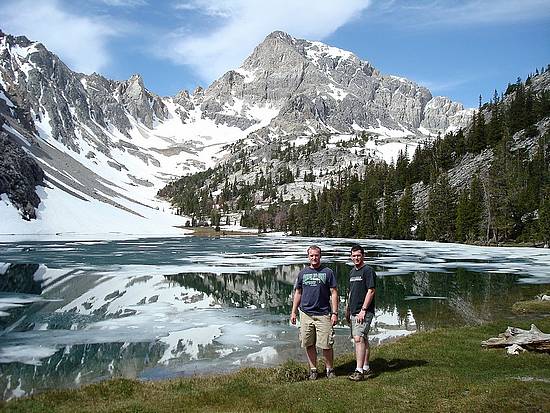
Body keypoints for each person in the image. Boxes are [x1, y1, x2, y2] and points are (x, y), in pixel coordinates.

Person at [290, 245, 338, 380]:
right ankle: (313, 370)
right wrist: (294, 312)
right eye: (311, 255)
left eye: (316, 255)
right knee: (308, 343)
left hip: (323, 314)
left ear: (320, 256)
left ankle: (329, 369)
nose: (314, 258)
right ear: (308, 257)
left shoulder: (328, 272)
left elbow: (334, 293)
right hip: (306, 314)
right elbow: (298, 292)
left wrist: (334, 313)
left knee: (326, 344)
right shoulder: (302, 273)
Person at [345, 244, 376, 381]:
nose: (356, 258)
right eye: (354, 256)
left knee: (358, 338)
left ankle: (359, 371)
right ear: (351, 257)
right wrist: (347, 309)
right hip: (353, 311)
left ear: (363, 256)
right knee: (363, 338)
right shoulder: (352, 272)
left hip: (363, 311)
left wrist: (363, 310)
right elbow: (351, 292)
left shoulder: (368, 270)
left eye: (358, 255)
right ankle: (366, 367)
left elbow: (371, 290)